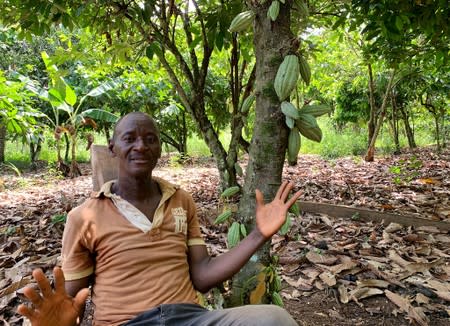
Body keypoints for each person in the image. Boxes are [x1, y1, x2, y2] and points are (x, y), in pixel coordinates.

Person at [17, 112, 301, 326]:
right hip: (126, 322)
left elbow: (202, 276)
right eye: (130, 139)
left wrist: (258, 235)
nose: (141, 146)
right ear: (113, 147)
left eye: (150, 139)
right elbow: (70, 300)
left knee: (273, 319)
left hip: (190, 318)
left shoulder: (180, 199)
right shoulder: (84, 217)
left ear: (159, 149)